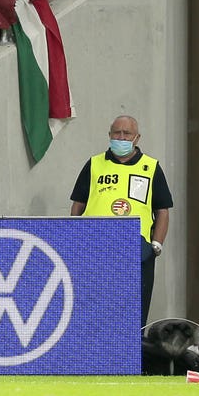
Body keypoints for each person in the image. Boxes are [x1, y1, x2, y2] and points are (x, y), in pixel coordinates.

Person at [70, 114, 173, 326]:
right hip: (94, 246)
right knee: (93, 311)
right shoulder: (94, 164)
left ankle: (130, 358)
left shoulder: (151, 167)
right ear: (109, 135)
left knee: (133, 315)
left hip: (136, 248)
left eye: (127, 133)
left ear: (137, 138)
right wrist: (75, 237)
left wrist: (156, 245)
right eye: (117, 132)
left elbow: (162, 210)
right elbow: (78, 205)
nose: (122, 137)